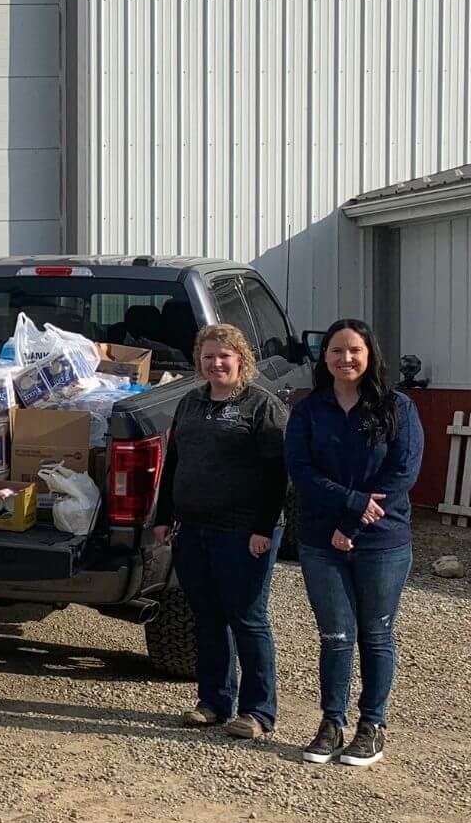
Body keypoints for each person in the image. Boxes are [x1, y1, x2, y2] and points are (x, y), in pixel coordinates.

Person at [285, 318, 423, 769]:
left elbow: (402, 473)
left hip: (382, 541)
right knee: (336, 636)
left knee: (376, 634)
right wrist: (352, 503)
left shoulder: (397, 407)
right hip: (320, 541)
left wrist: (353, 524)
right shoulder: (309, 410)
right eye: (336, 351)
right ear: (323, 357)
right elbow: (301, 471)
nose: (345, 358)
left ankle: (372, 725)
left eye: (354, 350)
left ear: (369, 355)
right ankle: (332, 722)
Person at [151, 323, 289, 741]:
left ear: (241, 359)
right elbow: (173, 462)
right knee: (208, 618)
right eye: (208, 356)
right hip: (193, 529)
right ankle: (213, 702)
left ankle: (257, 712)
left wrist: (263, 528)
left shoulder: (260, 405)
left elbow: (277, 474)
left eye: (224, 356)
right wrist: (163, 516)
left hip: (243, 532)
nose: (216, 364)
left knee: (247, 619)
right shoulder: (190, 402)